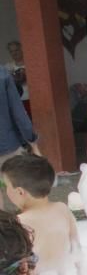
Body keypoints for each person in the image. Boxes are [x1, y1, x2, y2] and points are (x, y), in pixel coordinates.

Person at [0, 154, 80, 275]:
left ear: (20, 192)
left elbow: (16, 265)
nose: (5, 191)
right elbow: (76, 247)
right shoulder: (62, 209)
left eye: (6, 186)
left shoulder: (19, 223)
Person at [0, 65, 39, 212]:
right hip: (8, 145)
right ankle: (30, 228)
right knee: (22, 191)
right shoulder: (2, 75)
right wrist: (31, 139)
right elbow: (18, 113)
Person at [5, 40, 28, 115]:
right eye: (11, 51)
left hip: (33, 99)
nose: (14, 53)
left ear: (21, 49)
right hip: (17, 103)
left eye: (16, 50)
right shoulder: (7, 67)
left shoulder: (31, 64)